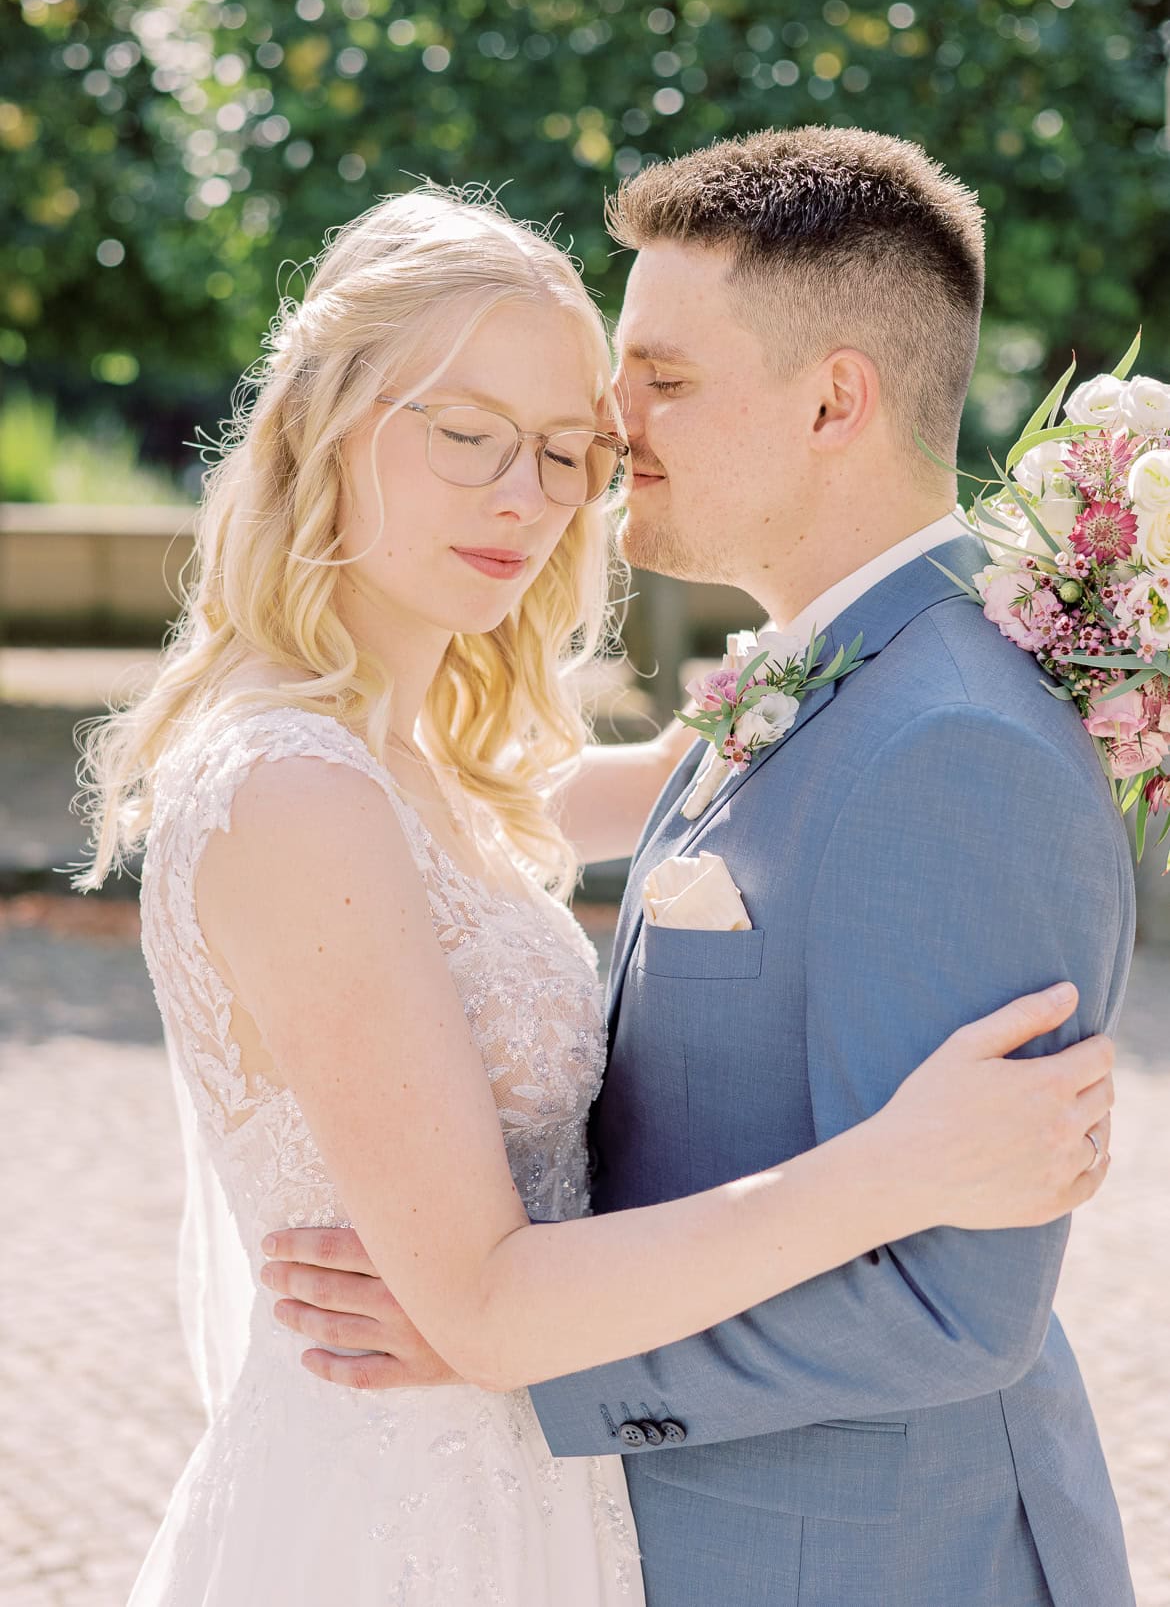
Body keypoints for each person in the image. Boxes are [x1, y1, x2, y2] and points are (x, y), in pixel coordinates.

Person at [83, 182, 1115, 1607]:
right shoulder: (297, 792)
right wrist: (901, 1166)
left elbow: (661, 780)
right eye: (467, 437)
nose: (529, 497)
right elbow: (488, 1305)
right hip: (402, 1512)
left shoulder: (427, 770)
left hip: (549, 1501)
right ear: (323, 421)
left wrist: (990, 614)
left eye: (572, 452)